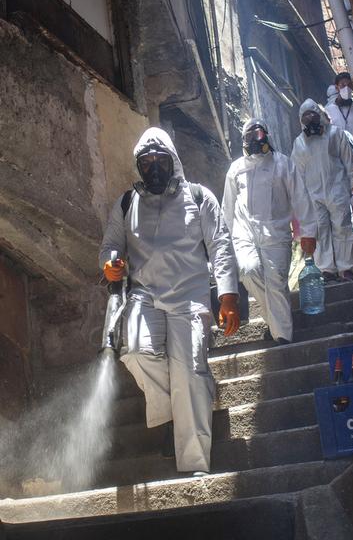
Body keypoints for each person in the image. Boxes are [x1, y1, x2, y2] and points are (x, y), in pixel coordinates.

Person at [99, 127, 239, 476]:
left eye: (160, 160)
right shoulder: (127, 203)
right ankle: (172, 413)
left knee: (189, 371)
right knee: (134, 352)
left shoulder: (198, 196)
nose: (154, 168)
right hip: (145, 295)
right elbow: (110, 245)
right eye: (146, 162)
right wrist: (111, 264)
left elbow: (220, 244)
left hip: (189, 296)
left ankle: (194, 465)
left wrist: (228, 295)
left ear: (172, 160)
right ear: (139, 166)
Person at [222, 119, 317, 345]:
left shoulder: (283, 164)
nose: (256, 140)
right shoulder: (235, 169)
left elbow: (301, 198)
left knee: (276, 283)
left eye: (259, 134)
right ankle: (278, 323)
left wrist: (309, 232)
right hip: (244, 234)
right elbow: (227, 207)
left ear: (266, 136)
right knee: (247, 271)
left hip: (276, 233)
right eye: (251, 136)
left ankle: (282, 336)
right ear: (244, 141)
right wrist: (224, 242)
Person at [291, 98, 353, 282]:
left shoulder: (335, 134)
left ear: (320, 115)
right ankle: (326, 269)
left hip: (337, 189)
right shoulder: (299, 143)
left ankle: (347, 268)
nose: (310, 119)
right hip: (313, 196)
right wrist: (299, 201)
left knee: (343, 228)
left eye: (312, 114)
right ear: (301, 121)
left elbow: (350, 161)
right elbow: (297, 174)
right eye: (305, 117)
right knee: (320, 231)